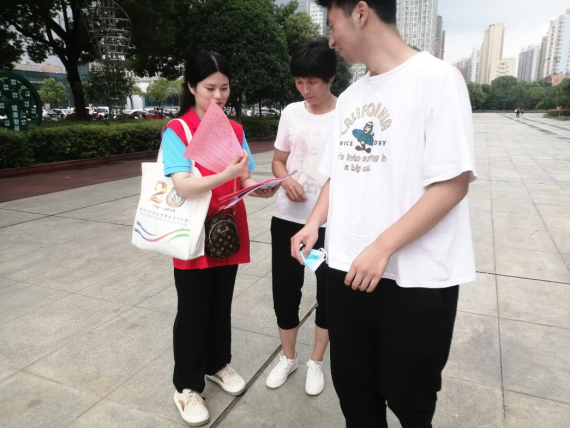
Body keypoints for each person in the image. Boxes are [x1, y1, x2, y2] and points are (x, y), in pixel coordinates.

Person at [292, 1, 477, 427]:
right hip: (346, 271)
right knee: (355, 395)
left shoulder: (437, 80)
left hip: (414, 279)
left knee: (411, 401)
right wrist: (313, 223)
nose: (330, 40)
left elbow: (452, 183)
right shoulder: (351, 98)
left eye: (332, 24)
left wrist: (383, 247)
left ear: (360, 12)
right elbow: (339, 173)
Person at [162, 50, 278, 427]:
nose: (218, 96)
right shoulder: (178, 130)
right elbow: (183, 185)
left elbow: (243, 178)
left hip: (227, 229)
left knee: (220, 303)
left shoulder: (235, 129)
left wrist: (258, 187)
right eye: (209, 87)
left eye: (224, 88)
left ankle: (217, 364)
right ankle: (186, 386)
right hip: (195, 233)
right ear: (191, 86)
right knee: (193, 310)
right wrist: (225, 174)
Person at [266, 38, 337, 396]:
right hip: (288, 220)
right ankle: (289, 357)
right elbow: (278, 160)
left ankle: (316, 362)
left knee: (327, 292)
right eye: (299, 82)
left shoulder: (346, 114)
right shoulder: (291, 113)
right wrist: (285, 179)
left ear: (331, 78)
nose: (305, 90)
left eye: (313, 82)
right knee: (285, 291)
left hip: (326, 226)